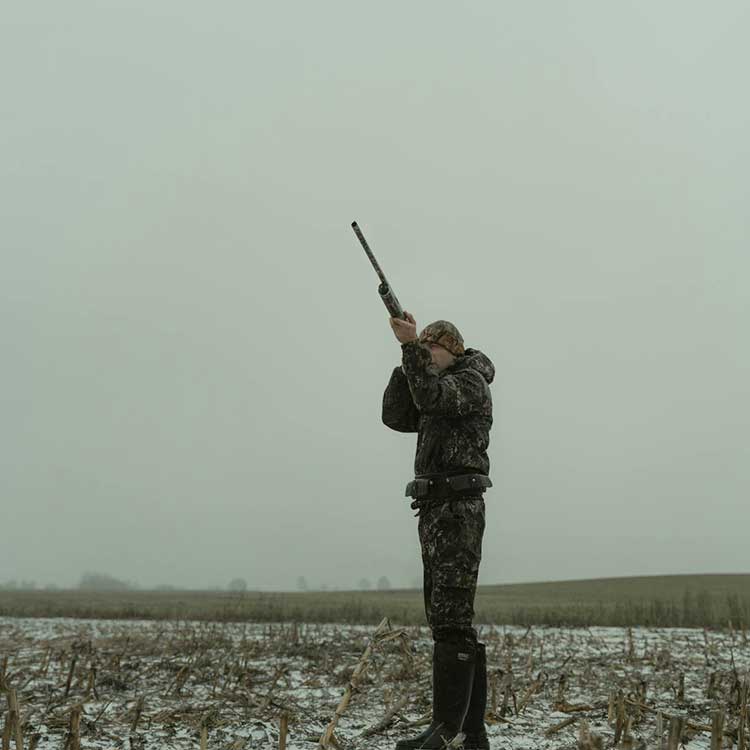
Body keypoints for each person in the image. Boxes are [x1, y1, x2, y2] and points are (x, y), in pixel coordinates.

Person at [383, 312, 494, 750]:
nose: (427, 354)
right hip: (434, 510)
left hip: (457, 511)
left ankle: (447, 730)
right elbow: (396, 414)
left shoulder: (469, 384)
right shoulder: (434, 386)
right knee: (448, 621)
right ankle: (469, 733)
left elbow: (429, 396)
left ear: (454, 351)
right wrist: (406, 355)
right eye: (425, 348)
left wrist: (411, 348)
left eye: (433, 348)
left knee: (452, 620)